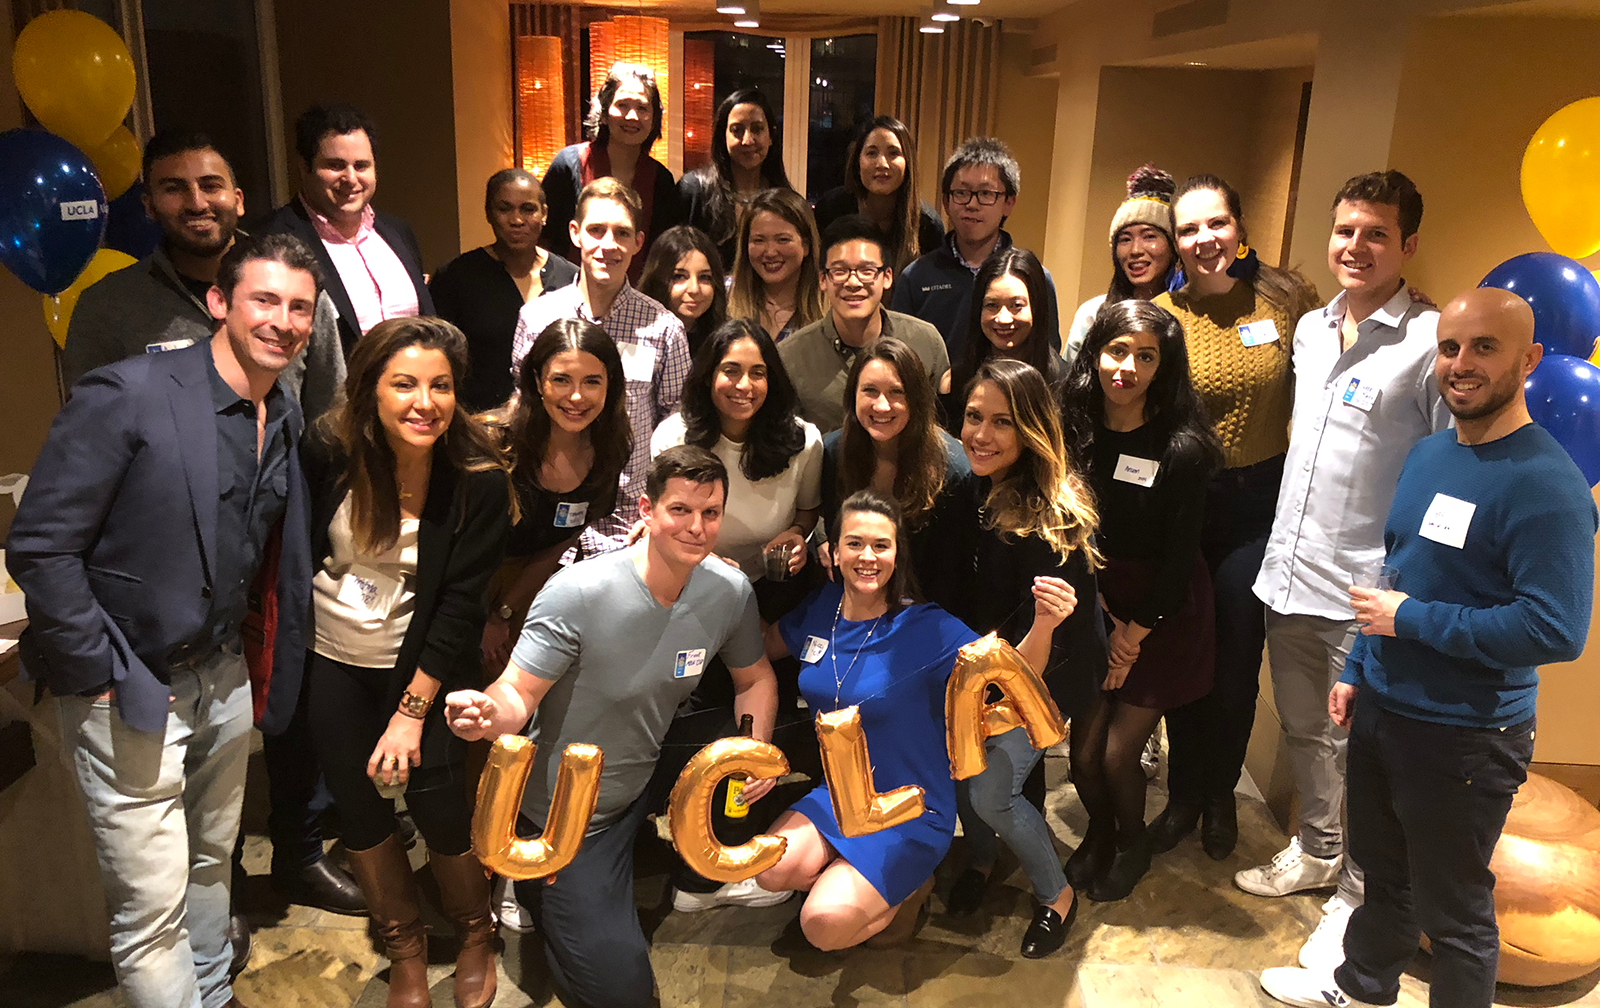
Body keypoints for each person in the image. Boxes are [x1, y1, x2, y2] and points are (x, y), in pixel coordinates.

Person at [6, 233, 322, 1008]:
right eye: (265, 300)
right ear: (219, 303)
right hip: (131, 685)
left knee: (213, 869)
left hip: (221, 674)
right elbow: (40, 544)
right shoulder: (130, 393)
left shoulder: (278, 405)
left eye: (300, 308)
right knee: (151, 915)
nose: (282, 321)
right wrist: (99, 676)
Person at [1261, 289, 1599, 1007]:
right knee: (1383, 878)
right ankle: (1361, 986)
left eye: (1485, 347)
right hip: (1385, 708)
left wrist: (1410, 621)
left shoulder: (1549, 485)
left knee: (1456, 915)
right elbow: (1396, 577)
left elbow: (1555, 630)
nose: (1461, 364)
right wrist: (1358, 667)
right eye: (1450, 348)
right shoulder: (1427, 455)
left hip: (1469, 735)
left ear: (1530, 359)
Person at [444, 446, 780, 1008]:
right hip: (572, 811)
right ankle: (531, 874)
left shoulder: (728, 592)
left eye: (711, 513)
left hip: (644, 770)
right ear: (646, 509)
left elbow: (755, 679)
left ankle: (692, 876)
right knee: (624, 994)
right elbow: (518, 692)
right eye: (680, 510)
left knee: (732, 728)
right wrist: (485, 715)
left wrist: (755, 750)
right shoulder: (578, 592)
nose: (697, 528)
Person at [1243, 171, 1450, 973]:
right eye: (1346, 231)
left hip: (1367, 593)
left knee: (1360, 748)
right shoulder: (1311, 328)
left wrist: (1408, 585)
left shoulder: (1429, 344)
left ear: (1408, 244)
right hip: (1290, 572)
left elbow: (1442, 471)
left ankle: (1358, 895)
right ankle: (1318, 850)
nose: (1356, 247)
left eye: (1375, 233)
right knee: (1304, 734)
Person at [300, 316, 510, 1008]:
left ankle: (476, 933)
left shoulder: (475, 481)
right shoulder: (328, 452)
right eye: (405, 384)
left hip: (426, 666)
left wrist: (411, 713)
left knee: (441, 806)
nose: (426, 402)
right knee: (359, 809)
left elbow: (457, 608)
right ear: (370, 391)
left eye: (441, 386)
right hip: (333, 659)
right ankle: (405, 949)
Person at [1146, 174, 1322, 862]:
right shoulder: (1160, 316)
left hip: (1257, 509)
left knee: (1236, 661)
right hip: (1186, 506)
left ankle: (1220, 794)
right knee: (1186, 657)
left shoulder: (1285, 303)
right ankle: (1185, 794)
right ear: (1175, 242)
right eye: (1188, 230)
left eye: (1214, 224)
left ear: (1238, 226)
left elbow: (1342, 343)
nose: (1202, 240)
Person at [751, 490, 1002, 950]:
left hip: (910, 804)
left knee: (822, 928)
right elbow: (762, 648)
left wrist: (1045, 624)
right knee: (769, 870)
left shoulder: (929, 627)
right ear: (834, 550)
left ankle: (909, 889)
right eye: (854, 543)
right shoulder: (822, 607)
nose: (867, 556)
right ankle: (851, 876)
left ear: (897, 553)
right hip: (841, 795)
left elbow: (1005, 672)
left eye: (880, 545)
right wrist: (723, 580)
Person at [648, 317, 823, 911]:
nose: (743, 384)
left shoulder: (802, 439)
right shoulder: (675, 432)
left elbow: (806, 517)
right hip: (697, 591)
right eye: (729, 370)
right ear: (707, 375)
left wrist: (797, 539)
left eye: (756, 372)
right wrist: (709, 558)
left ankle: (747, 836)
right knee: (707, 716)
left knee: (773, 716)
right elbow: (670, 525)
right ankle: (705, 852)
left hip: (774, 592)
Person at [938, 358, 1104, 958]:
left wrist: (995, 680)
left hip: (1039, 677)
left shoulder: (1053, 517)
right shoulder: (976, 488)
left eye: (1001, 422)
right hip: (984, 671)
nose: (981, 434)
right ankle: (982, 861)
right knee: (963, 769)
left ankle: (1056, 893)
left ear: (1031, 429)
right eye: (974, 417)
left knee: (990, 794)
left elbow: (1041, 654)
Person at [1059, 300, 1223, 904]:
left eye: (1145, 357)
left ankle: (1132, 843)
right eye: (1117, 351)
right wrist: (1093, 601)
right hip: (1096, 598)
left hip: (1164, 612)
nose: (1127, 367)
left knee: (1117, 755)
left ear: (1164, 367)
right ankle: (1102, 834)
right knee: (1080, 757)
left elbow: (1180, 561)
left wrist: (1132, 635)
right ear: (1096, 353)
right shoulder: (1072, 429)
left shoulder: (1181, 448)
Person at [63, 129, 345, 420]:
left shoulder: (297, 290)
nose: (197, 203)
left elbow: (331, 420)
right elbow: (88, 434)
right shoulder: (105, 307)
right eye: (174, 189)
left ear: (238, 199)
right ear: (149, 206)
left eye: (210, 186)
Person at [511, 178, 691, 550]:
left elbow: (677, 432)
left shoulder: (665, 329)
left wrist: (660, 510)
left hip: (628, 528)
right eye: (596, 230)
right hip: (545, 523)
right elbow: (523, 410)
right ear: (576, 234)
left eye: (621, 233)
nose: (608, 245)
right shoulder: (536, 319)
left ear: (638, 243)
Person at [480, 318, 630, 677]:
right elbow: (457, 547)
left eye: (592, 382)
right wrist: (482, 617)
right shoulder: (493, 443)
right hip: (465, 586)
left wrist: (504, 612)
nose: (576, 397)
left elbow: (561, 540)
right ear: (537, 382)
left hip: (526, 589)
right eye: (561, 379)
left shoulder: (609, 448)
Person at [261, 103, 433, 355]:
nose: (351, 178)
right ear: (304, 167)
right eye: (335, 166)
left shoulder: (398, 231)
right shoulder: (273, 240)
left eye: (361, 165)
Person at [892, 137, 1060, 364]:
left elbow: (1046, 356)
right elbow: (900, 358)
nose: (972, 204)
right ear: (945, 201)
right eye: (961, 193)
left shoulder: (1033, 278)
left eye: (986, 194)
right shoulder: (915, 277)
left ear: (1009, 203)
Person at [779, 216, 949, 434]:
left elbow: (940, 430)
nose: (853, 282)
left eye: (867, 271)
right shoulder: (791, 357)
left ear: (886, 277)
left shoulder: (925, 341)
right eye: (840, 271)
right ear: (823, 279)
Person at [430, 169, 579, 410]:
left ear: (544, 214)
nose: (517, 220)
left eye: (528, 209)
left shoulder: (570, 277)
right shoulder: (455, 279)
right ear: (489, 213)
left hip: (558, 419)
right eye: (504, 208)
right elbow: (439, 360)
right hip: (479, 422)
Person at [542, 62, 683, 281]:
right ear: (605, 113)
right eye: (622, 105)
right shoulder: (569, 164)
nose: (632, 116)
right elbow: (544, 240)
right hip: (568, 294)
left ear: (654, 118)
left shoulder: (661, 180)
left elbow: (662, 255)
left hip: (638, 299)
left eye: (642, 108)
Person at [939, 246, 1066, 429]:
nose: (1003, 318)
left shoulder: (1065, 383)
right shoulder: (954, 381)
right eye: (992, 305)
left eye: (1016, 305)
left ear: (1037, 308)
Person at [1064, 163, 1178, 364]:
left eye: (1149, 236)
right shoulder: (1093, 314)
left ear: (1173, 246)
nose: (1135, 251)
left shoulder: (1188, 313)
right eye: (1125, 239)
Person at [678, 87, 793, 269]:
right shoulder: (694, 191)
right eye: (737, 130)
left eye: (757, 129)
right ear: (723, 136)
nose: (748, 140)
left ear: (771, 136)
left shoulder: (786, 200)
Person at [812, 116, 942, 274]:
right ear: (857, 161)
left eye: (893, 153)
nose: (882, 164)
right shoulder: (831, 209)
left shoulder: (928, 224)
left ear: (908, 163)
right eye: (872, 153)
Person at [727, 187, 825, 344]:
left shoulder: (829, 305)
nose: (770, 252)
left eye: (783, 239)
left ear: (805, 245)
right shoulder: (723, 296)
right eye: (759, 240)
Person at [638, 223, 728, 359]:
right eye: (679, 276)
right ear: (658, 279)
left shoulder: (725, 343)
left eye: (704, 277)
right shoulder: (637, 332)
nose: (694, 289)